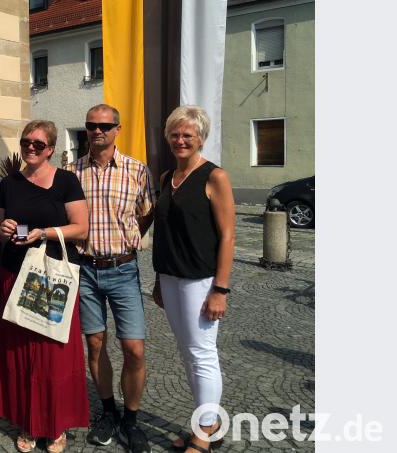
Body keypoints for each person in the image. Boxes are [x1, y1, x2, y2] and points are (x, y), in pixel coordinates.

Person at [0, 120, 90, 453]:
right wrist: (2, 229)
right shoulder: (9, 184)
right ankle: (28, 424)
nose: (30, 148)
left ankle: (55, 424)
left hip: (53, 275)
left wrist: (45, 233)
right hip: (15, 274)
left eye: (38, 143)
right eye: (26, 142)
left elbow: (81, 228)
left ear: (50, 148)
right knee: (20, 354)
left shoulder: (66, 181)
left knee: (53, 354)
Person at [66, 104, 154, 452]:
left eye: (104, 125)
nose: (97, 130)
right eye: (91, 125)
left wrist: (128, 240)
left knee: (133, 348)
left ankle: (131, 421)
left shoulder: (137, 170)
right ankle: (107, 411)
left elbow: (146, 214)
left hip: (123, 269)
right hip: (85, 269)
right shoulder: (70, 171)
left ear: (118, 128)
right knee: (95, 344)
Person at [152, 105, 235, 453]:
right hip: (170, 278)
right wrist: (158, 280)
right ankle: (206, 420)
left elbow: (228, 235)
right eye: (175, 133)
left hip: (199, 281)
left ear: (201, 138)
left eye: (188, 134)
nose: (180, 140)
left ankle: (204, 433)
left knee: (202, 354)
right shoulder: (166, 177)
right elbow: (166, 232)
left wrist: (220, 289)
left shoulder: (215, 177)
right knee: (188, 354)